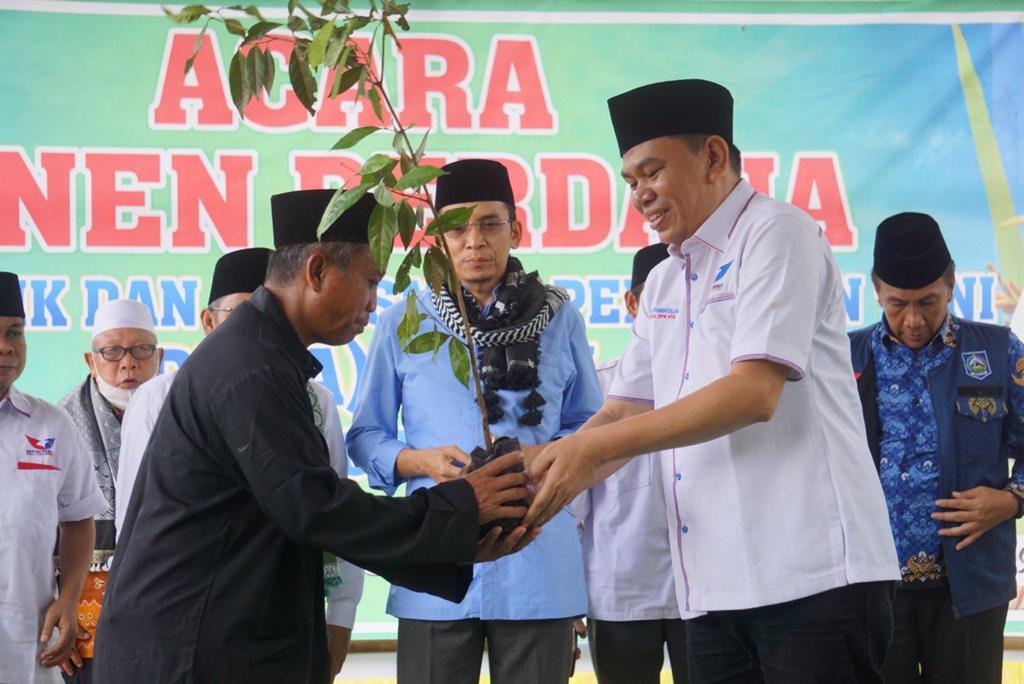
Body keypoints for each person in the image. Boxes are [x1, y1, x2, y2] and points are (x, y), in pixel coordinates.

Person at [523, 79, 900, 682]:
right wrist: (548, 464)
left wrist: (591, 449)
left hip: (814, 575)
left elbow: (754, 392)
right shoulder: (668, 281)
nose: (641, 196)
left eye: (652, 173)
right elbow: (623, 409)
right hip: (713, 588)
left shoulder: (778, 234)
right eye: (631, 183)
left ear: (714, 157)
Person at [94, 190, 537, 684]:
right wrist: (460, 509)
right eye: (369, 282)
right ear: (318, 270)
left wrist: (459, 539)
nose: (374, 302)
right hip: (190, 650)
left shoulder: (264, 358)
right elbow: (315, 507)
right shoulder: (248, 369)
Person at [347, 159, 602, 684]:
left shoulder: (559, 317)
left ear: (516, 228)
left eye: (489, 224)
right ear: (435, 239)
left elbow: (590, 428)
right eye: (456, 228)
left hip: (537, 559)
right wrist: (419, 461)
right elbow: (365, 436)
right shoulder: (406, 318)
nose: (474, 241)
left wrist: (546, 461)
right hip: (436, 561)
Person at [114, 247, 365, 678]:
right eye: (243, 313)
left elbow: (332, 511)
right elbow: (135, 525)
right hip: (189, 621)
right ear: (208, 321)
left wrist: (340, 616)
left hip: (281, 622)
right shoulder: (159, 396)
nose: (259, 327)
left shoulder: (315, 401)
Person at [849, 212, 1024, 684]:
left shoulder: (998, 351)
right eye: (896, 304)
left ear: (950, 284)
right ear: (876, 290)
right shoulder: (846, 358)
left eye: (927, 301)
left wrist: (1011, 500)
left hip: (969, 589)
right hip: (872, 589)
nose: (912, 320)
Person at [572, 242, 686, 683]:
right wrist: (568, 598)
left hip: (706, 593)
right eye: (660, 302)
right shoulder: (599, 392)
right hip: (619, 595)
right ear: (633, 303)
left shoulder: (720, 391)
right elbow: (573, 507)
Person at [0, 271, 107, 683]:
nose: (7, 347)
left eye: (15, 333)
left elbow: (79, 518)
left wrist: (69, 595)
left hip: (28, 651)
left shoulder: (51, 425)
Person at [57, 297, 162, 683]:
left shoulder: (184, 411)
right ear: (90, 360)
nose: (128, 363)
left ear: (159, 355)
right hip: (83, 620)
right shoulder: (59, 423)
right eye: (112, 351)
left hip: (164, 605)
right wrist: (56, 613)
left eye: (141, 350)